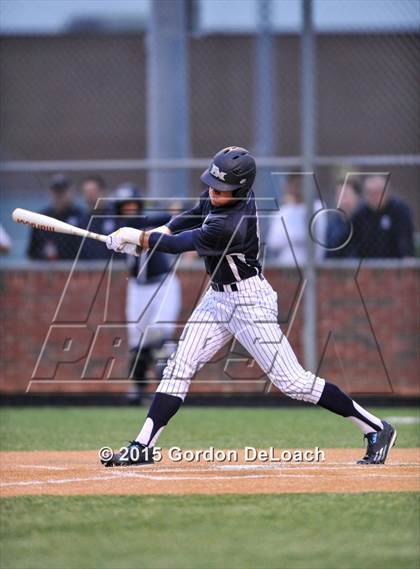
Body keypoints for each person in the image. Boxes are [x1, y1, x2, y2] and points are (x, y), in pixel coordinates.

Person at [103, 146, 397, 467]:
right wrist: (150, 235)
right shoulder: (220, 194)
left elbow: (178, 245)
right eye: (213, 185)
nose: (214, 193)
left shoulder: (232, 223)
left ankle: (376, 428)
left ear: (239, 188)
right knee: (178, 367)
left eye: (222, 189)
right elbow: (186, 218)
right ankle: (143, 445)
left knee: (294, 382)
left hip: (248, 302)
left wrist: (139, 237)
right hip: (217, 298)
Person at [113, 183, 182, 404]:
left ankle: (168, 391)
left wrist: (172, 214)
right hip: (136, 288)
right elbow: (132, 225)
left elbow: (159, 221)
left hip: (163, 284)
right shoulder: (120, 228)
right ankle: (138, 391)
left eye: (133, 205)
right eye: (125, 207)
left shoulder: (148, 222)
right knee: (138, 345)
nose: (129, 210)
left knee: (161, 336)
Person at [266, 173, 325, 266]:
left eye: (300, 185)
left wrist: (288, 236)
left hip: (312, 267)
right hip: (285, 267)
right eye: (294, 185)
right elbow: (273, 242)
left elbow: (309, 236)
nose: (297, 189)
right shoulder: (283, 211)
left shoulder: (317, 207)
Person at [352, 175, 414, 259]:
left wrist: (407, 258)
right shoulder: (359, 214)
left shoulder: (399, 210)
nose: (374, 197)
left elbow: (405, 240)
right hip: (366, 266)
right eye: (370, 193)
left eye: (378, 192)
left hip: (395, 265)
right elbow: (353, 244)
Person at [27, 174, 84, 260]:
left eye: (62, 191)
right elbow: (32, 252)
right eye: (56, 191)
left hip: (76, 268)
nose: (59, 195)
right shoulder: (41, 218)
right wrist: (44, 253)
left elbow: (87, 250)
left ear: (71, 192)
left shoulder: (80, 216)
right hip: (47, 269)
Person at [79, 175, 116, 260]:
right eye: (86, 192)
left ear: (102, 191)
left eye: (93, 191)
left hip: (114, 266)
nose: (90, 195)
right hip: (88, 268)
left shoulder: (115, 216)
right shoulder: (82, 220)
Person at [325, 178, 362, 258]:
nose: (342, 200)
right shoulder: (332, 224)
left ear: (357, 196)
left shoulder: (366, 221)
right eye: (339, 195)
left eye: (346, 195)